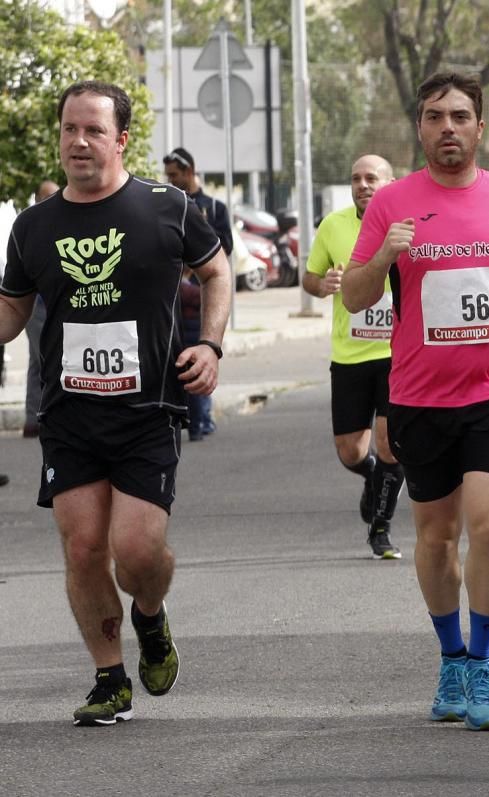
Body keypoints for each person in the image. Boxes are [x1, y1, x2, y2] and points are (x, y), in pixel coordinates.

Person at [0, 81, 231, 726]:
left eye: (93, 130)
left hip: (148, 410)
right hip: (70, 414)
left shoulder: (168, 208)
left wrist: (209, 345)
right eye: (70, 128)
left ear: (121, 139)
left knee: (137, 551)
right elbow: (12, 310)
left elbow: (216, 272)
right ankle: (109, 677)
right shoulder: (34, 226)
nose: (79, 141)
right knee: (82, 548)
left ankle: (150, 617)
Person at [342, 72, 489, 731]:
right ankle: (451, 657)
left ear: (479, 126)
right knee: (437, 536)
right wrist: (383, 251)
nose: (448, 126)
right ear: (420, 127)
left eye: (460, 115)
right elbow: (355, 295)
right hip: (419, 395)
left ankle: (485, 658)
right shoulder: (391, 203)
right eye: (435, 115)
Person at [303, 154, 404, 560]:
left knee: (388, 443)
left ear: (390, 182)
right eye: (356, 178)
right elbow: (309, 278)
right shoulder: (333, 225)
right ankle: (375, 477)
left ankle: (381, 530)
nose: (363, 185)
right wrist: (322, 283)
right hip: (349, 356)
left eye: (371, 178)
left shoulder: (405, 228)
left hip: (398, 354)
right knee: (349, 450)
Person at [163, 146, 233, 441]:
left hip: (201, 296)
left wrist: (195, 268)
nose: (171, 180)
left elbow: (224, 250)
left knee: (199, 353)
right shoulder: (168, 204)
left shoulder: (214, 208)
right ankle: (186, 417)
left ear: (190, 172)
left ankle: (201, 420)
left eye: (175, 175)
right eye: (167, 176)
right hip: (172, 297)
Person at [22, 180, 59, 438]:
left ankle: (40, 418)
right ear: (36, 199)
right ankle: (35, 418)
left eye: (54, 197)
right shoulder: (29, 227)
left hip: (58, 306)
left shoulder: (67, 223)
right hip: (37, 306)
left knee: (45, 361)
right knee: (42, 359)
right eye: (46, 197)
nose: (51, 202)